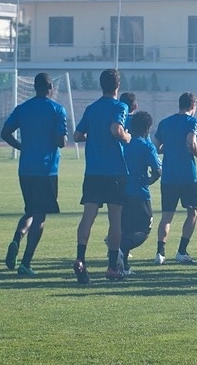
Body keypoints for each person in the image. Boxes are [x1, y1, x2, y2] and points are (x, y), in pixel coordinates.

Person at [0, 73, 67, 275]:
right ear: (50, 88)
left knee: (30, 210)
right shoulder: (57, 109)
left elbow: (5, 132)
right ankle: (26, 263)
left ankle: (16, 238)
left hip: (26, 169)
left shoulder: (23, 108)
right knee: (40, 216)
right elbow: (61, 142)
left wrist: (22, 146)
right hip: (46, 169)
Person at [72, 69, 131, 283]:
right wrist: (126, 138)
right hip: (114, 171)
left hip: (93, 171)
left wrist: (94, 136)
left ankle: (80, 259)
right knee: (115, 219)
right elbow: (116, 129)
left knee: (88, 216)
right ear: (117, 86)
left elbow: (77, 135)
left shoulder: (91, 108)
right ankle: (112, 267)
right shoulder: (120, 106)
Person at [153, 92, 197, 265]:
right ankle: (182, 251)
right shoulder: (192, 122)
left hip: (168, 177)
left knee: (167, 215)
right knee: (193, 212)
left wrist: (169, 148)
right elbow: (191, 142)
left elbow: (156, 146)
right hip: (187, 176)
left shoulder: (165, 123)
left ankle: (160, 253)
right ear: (192, 106)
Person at [120, 111, 161, 274]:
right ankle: (120, 248)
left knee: (126, 227)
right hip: (139, 192)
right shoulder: (146, 145)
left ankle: (122, 266)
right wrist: (149, 181)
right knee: (144, 229)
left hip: (121, 191)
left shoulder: (124, 143)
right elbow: (157, 170)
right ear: (148, 128)